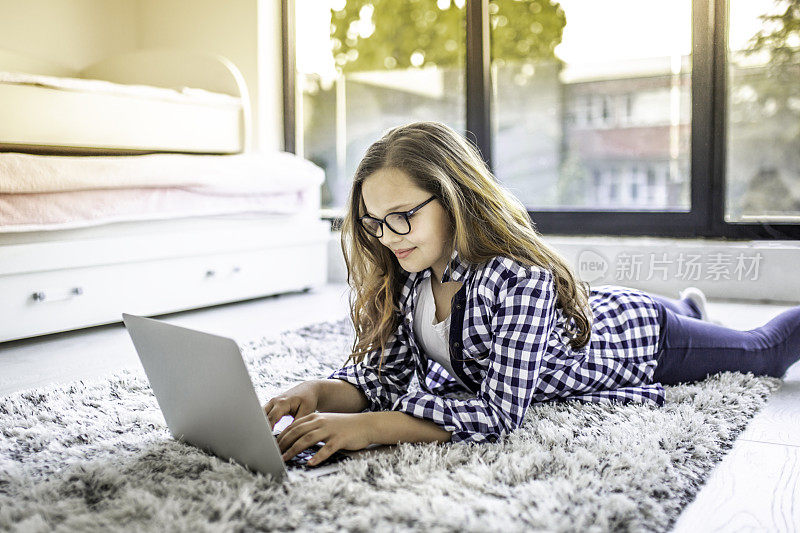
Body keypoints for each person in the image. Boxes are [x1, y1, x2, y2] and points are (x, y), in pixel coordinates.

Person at [263, 121, 800, 467]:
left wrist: (369, 429)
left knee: (765, 351)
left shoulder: (519, 279)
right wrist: (315, 393)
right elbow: (388, 378)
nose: (388, 237)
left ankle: (683, 314)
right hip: (585, 317)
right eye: (375, 223)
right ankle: (688, 307)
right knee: (643, 311)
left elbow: (498, 414)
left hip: (640, 338)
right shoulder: (411, 278)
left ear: (454, 198)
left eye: (403, 216)